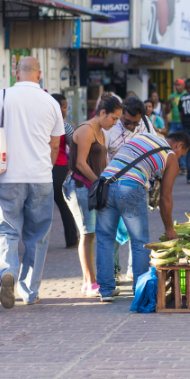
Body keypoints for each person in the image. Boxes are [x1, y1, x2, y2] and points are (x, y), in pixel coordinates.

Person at [0, 57, 64, 309]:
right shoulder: (51, 102)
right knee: (37, 236)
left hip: (8, 177)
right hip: (41, 177)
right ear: (39, 75)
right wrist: (46, 168)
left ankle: (7, 272)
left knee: (5, 229)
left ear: (16, 73)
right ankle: (29, 291)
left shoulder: (3, 96)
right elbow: (55, 145)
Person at [95, 131, 190, 302]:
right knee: (139, 242)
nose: (179, 157)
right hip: (131, 187)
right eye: (182, 154)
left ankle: (106, 291)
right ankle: (140, 291)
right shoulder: (170, 156)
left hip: (106, 184)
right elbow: (165, 197)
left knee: (105, 239)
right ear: (179, 146)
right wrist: (169, 228)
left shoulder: (142, 137)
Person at [63, 95, 122, 298]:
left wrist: (108, 181)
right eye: (113, 118)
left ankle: (92, 281)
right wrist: (100, 182)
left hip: (94, 187)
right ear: (103, 113)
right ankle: (89, 282)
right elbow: (80, 163)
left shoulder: (102, 132)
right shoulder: (86, 130)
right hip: (79, 186)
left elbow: (103, 162)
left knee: (93, 234)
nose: (115, 123)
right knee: (86, 234)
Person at [105, 96, 156, 286]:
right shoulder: (110, 126)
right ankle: (114, 271)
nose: (132, 127)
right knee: (112, 234)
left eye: (136, 123)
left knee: (137, 234)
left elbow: (155, 145)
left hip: (139, 186)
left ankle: (136, 275)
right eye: (128, 122)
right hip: (113, 185)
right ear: (121, 114)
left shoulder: (145, 123)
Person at [49, 94, 78, 249]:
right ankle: (72, 239)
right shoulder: (63, 126)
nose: (66, 110)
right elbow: (75, 145)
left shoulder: (40, 123)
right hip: (60, 167)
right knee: (64, 205)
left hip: (42, 168)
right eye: (65, 106)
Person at [167, 79, 187, 174]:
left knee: (183, 144)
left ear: (183, 86)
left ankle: (184, 166)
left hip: (183, 123)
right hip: (174, 123)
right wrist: (169, 102)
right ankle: (175, 165)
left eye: (179, 85)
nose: (177, 87)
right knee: (171, 145)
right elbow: (167, 111)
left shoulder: (186, 95)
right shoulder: (172, 96)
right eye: (176, 85)